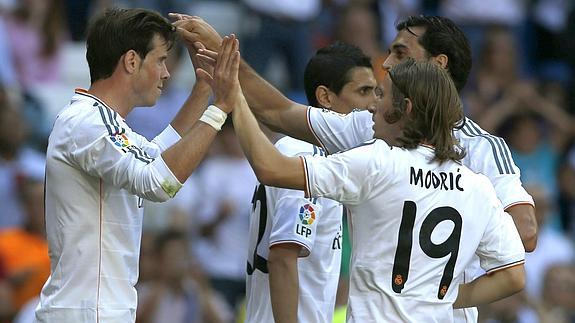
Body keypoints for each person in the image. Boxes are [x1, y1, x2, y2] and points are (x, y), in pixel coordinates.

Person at [173, 14, 537, 322]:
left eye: (400, 53)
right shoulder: (385, 137)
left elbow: (526, 232)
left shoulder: (452, 150)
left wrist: (228, 91)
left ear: (436, 66)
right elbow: (278, 112)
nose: (387, 64)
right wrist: (437, 295)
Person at [34, 8, 237, 323]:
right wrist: (220, 109)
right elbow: (159, 183)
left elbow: (157, 156)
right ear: (131, 61)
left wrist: (204, 89)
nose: (167, 73)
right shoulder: (89, 122)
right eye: (160, 60)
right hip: (89, 313)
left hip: (95, 310)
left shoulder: (104, 123)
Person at [245, 42, 377, 323]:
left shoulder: (318, 160)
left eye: (376, 92)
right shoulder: (307, 158)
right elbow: (283, 254)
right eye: (363, 91)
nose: (373, 104)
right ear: (325, 97)